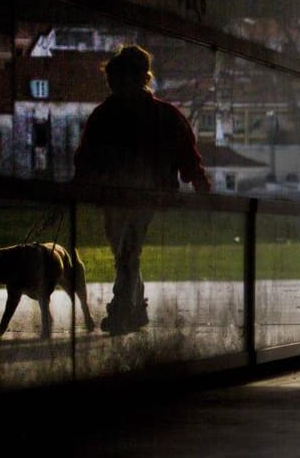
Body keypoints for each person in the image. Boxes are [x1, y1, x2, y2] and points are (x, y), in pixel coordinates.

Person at [73, 44, 211, 335]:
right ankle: (136, 308)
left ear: (134, 79)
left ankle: (123, 309)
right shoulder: (164, 115)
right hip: (140, 195)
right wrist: (199, 184)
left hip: (124, 196)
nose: (113, 87)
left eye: (116, 81)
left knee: (125, 252)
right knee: (127, 253)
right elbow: (187, 154)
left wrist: (81, 183)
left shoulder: (105, 115)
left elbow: (86, 157)